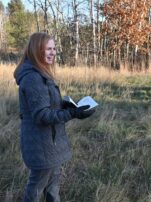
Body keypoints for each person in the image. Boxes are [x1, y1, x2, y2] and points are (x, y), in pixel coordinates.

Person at [13, 32, 95, 201]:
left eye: (54, 49)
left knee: (53, 186)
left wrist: (66, 106)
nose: (53, 53)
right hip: (41, 144)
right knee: (35, 190)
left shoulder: (41, 73)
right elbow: (41, 115)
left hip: (50, 143)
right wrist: (73, 113)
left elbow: (45, 105)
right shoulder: (33, 78)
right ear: (37, 51)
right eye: (48, 49)